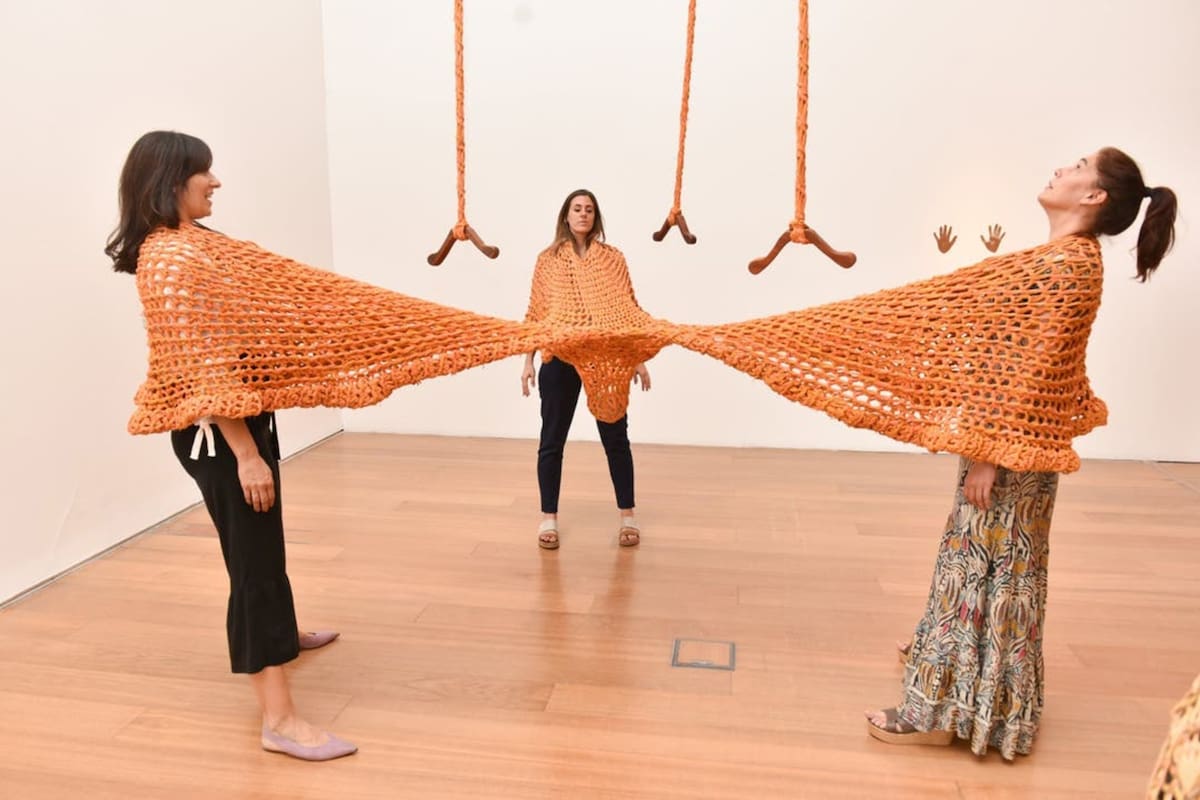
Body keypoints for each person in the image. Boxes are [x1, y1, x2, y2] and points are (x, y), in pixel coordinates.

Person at [865, 147, 1178, 760]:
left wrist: (989, 456)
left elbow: (1033, 371)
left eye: (1080, 165)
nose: (1063, 167)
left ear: (1094, 197)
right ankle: (977, 697)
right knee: (995, 573)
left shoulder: (1067, 266)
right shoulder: (1064, 259)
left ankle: (937, 708)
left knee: (979, 569)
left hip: (1010, 453)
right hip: (1013, 443)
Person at [105, 131, 356, 761]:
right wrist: (247, 454)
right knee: (253, 566)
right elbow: (201, 366)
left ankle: (286, 635)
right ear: (169, 182)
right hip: (222, 434)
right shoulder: (170, 259)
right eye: (203, 173)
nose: (215, 182)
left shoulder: (199, 245)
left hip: (243, 422)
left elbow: (266, 297)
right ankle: (279, 719)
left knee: (262, 543)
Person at [520, 189, 652, 550]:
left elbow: (627, 312)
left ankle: (628, 516)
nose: (583, 214)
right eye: (577, 209)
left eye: (589, 210)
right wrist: (527, 362)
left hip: (606, 359)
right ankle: (549, 519)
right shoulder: (547, 260)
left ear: (596, 217)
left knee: (616, 439)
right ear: (566, 215)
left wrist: (637, 358)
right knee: (551, 441)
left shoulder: (613, 259)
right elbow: (536, 314)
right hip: (560, 356)